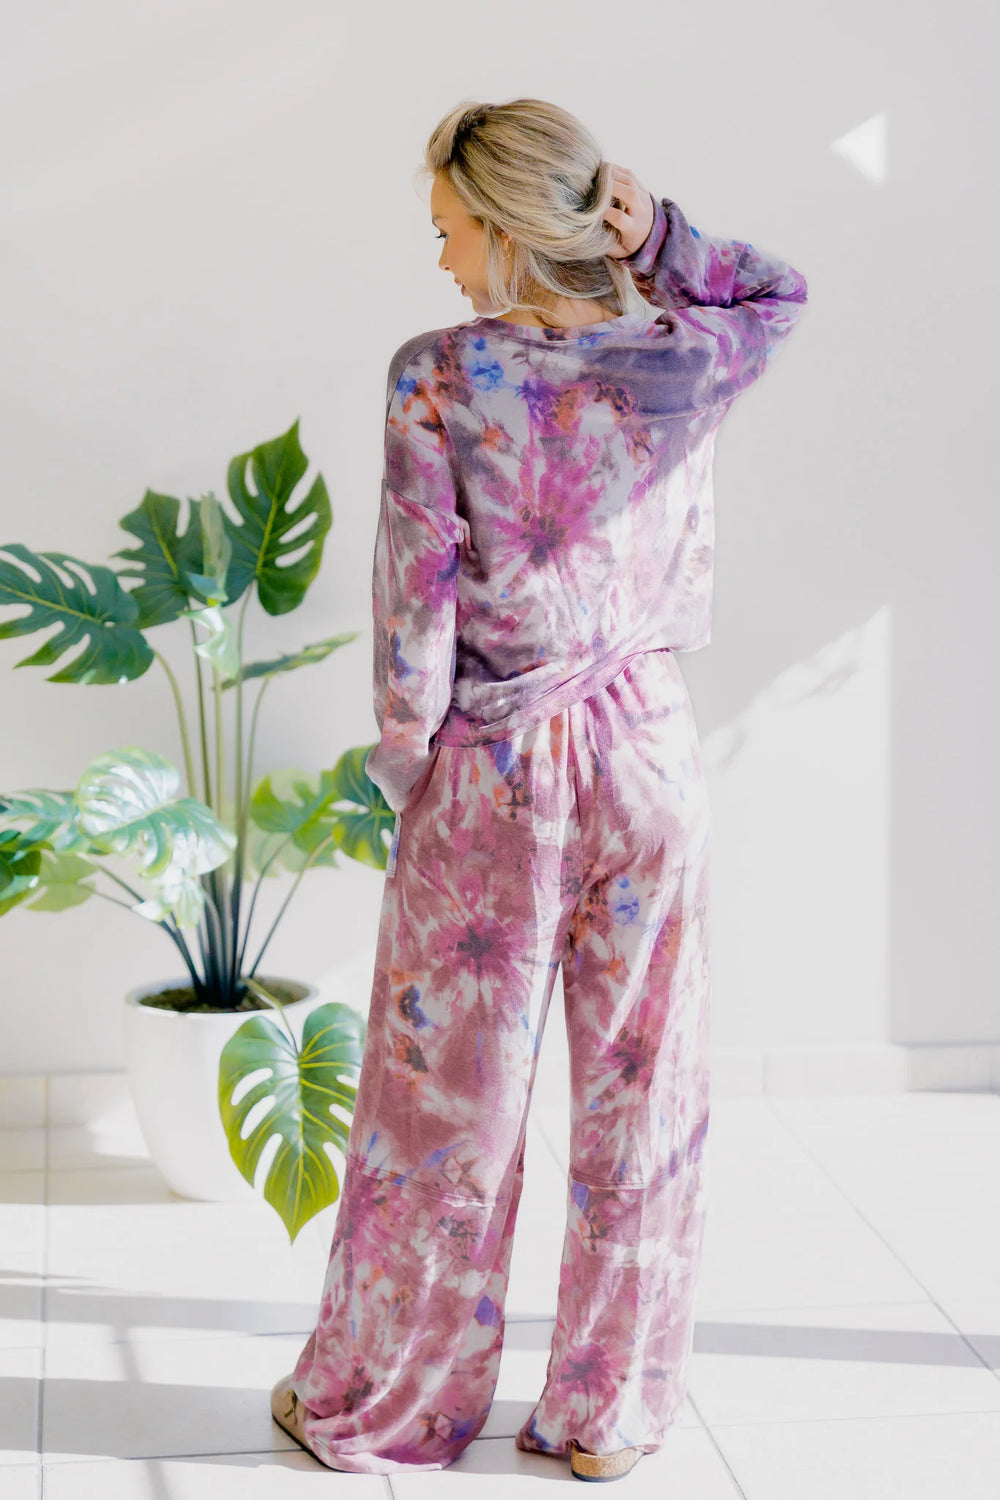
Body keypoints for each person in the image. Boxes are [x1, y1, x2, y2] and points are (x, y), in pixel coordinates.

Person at [270, 95, 808, 1482]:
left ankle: (394, 1404)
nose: (445, 258)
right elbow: (777, 292)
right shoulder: (680, 354)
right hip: (651, 757)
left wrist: (410, 765)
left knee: (442, 1112)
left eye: (452, 229)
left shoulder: (439, 375)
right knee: (646, 1091)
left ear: (510, 229)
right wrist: (660, 232)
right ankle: (606, 1414)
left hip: (497, 773)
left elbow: (416, 608)